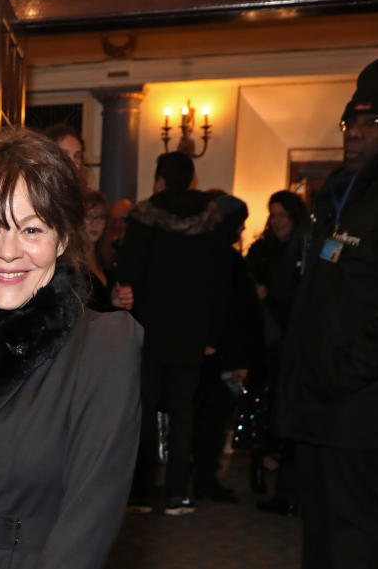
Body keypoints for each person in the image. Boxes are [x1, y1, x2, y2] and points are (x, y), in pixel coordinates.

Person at [0, 129, 142, 569]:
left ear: (60, 241)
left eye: (31, 229)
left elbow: (91, 516)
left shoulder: (103, 345)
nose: (8, 251)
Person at [276, 55, 378, 569]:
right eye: (350, 122)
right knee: (321, 537)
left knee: (357, 540)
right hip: (323, 406)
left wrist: (340, 374)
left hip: (365, 412)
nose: (355, 134)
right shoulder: (345, 194)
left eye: (372, 122)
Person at [117, 151, 229, 515]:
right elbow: (218, 281)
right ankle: (178, 493)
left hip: (149, 326)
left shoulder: (144, 217)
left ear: (160, 179)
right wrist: (212, 333)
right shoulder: (211, 220)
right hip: (193, 330)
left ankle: (141, 493)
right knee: (185, 412)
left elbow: (129, 269)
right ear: (191, 179)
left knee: (144, 410)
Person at [192, 191, 260, 503]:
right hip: (222, 355)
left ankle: (197, 479)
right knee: (213, 420)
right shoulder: (225, 257)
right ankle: (205, 481)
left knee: (204, 419)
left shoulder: (205, 252)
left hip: (210, 352)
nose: (242, 230)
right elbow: (234, 312)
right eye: (240, 223)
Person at [243, 189, 306, 514]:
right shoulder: (261, 250)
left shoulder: (305, 249)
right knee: (261, 404)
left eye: (283, 214)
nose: (278, 220)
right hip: (264, 342)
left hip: (292, 342)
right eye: (274, 214)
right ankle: (260, 462)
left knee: (284, 408)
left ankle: (282, 475)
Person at [82, 190, 133, 312]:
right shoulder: (67, 263)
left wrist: (115, 299)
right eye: (90, 216)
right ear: (77, 220)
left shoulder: (109, 259)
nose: (96, 223)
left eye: (100, 217)